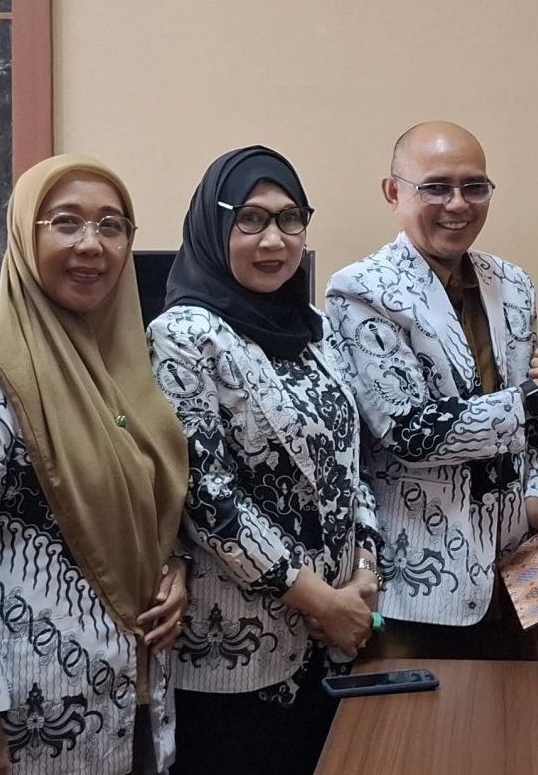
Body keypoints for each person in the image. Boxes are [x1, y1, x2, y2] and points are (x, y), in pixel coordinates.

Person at [0, 156, 191, 775]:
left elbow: (147, 495)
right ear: (25, 235)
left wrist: (173, 565)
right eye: (66, 222)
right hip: (28, 713)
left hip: (134, 691)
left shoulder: (130, 359)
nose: (91, 245)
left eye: (112, 226)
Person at [324, 122, 538, 660]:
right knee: (412, 717)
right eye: (436, 187)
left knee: (513, 714)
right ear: (393, 191)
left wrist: (536, 493)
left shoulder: (513, 284)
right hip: (417, 583)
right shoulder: (360, 289)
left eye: (474, 187)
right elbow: (410, 433)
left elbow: (532, 421)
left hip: (515, 571)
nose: (457, 204)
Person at [147, 147, 378, 775]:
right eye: (250, 219)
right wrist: (320, 601)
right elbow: (207, 497)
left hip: (332, 640)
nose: (274, 239)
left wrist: (363, 574)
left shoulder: (317, 330)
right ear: (214, 225)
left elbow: (352, 462)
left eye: (289, 218)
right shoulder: (183, 336)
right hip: (239, 650)